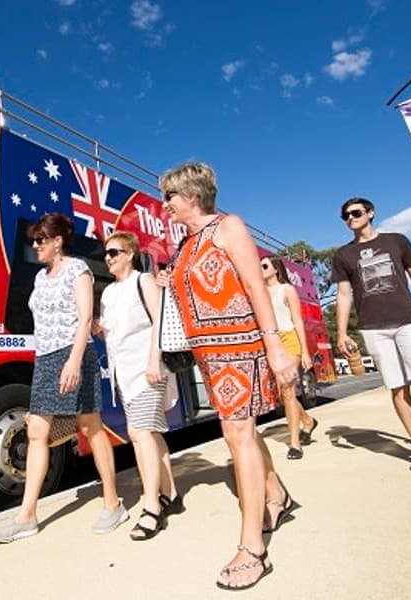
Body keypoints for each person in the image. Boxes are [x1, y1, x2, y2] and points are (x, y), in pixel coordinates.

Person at [157, 163, 297, 591]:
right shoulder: (184, 245)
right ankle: (277, 494)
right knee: (241, 433)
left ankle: (252, 548)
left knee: (237, 434)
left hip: (241, 345)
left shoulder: (228, 226)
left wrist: (275, 346)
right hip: (209, 354)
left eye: (170, 197)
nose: (165, 205)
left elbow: (255, 286)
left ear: (192, 196)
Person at [0, 213, 128, 543]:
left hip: (74, 354)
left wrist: (74, 362)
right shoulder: (40, 278)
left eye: (41, 239)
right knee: (36, 430)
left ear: (58, 241)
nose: (35, 245)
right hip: (46, 358)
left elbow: (85, 319)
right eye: (34, 240)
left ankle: (113, 503)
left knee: (90, 427)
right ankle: (27, 516)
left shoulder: (78, 269)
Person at [330, 197, 411, 475]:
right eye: (345, 216)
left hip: (408, 320)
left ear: (370, 213)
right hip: (373, 328)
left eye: (356, 213)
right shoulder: (343, 255)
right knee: (398, 388)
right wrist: (342, 333)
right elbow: (343, 294)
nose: (350, 218)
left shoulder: (396, 241)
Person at [97, 231, 183, 541]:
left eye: (114, 252)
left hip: (148, 369)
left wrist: (153, 361)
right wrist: (92, 325)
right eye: (106, 253)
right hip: (124, 375)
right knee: (152, 434)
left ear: (131, 254)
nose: (108, 258)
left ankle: (151, 507)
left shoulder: (143, 281)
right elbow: (109, 333)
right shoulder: (108, 294)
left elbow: (159, 321)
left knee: (139, 433)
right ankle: (171, 494)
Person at [260, 255, 318, 459]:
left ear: (276, 269)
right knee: (281, 396)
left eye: (265, 266)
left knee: (288, 389)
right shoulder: (259, 292)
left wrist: (305, 351)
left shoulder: (287, 290)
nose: (261, 269)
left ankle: (295, 444)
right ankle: (308, 421)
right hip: (271, 342)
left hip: (289, 340)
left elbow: (298, 321)